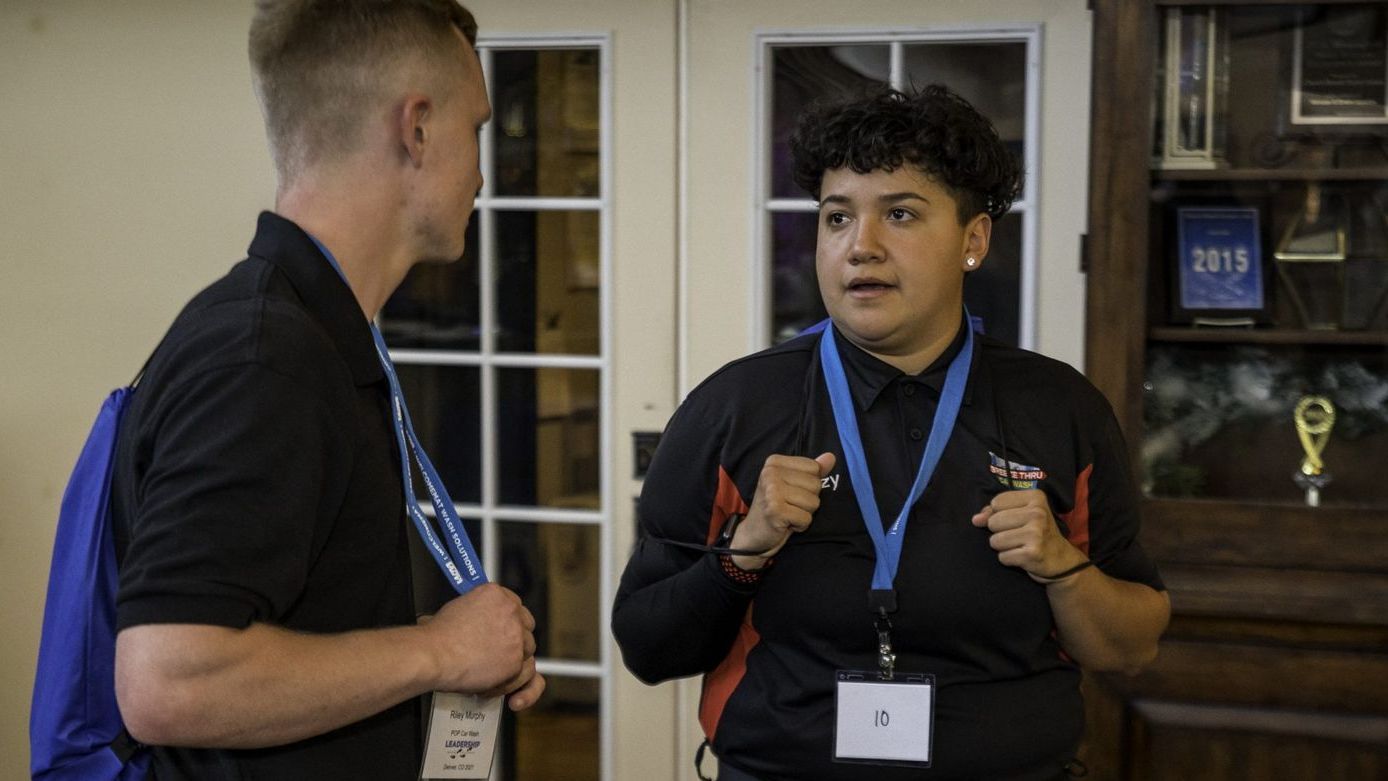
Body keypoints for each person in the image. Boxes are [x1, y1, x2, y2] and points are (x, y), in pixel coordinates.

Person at [612, 84, 1170, 781]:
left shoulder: (1060, 407)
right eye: (837, 217)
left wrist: (1061, 564)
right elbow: (647, 644)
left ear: (973, 241)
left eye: (899, 214)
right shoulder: (733, 406)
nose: (860, 247)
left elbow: (1130, 645)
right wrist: (744, 550)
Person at [109, 2, 544, 778]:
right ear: (415, 129)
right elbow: (167, 680)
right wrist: (439, 649)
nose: (484, 169)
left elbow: (297, 617)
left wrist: (448, 648)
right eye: (476, 130)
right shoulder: (264, 359)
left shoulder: (313, 331)